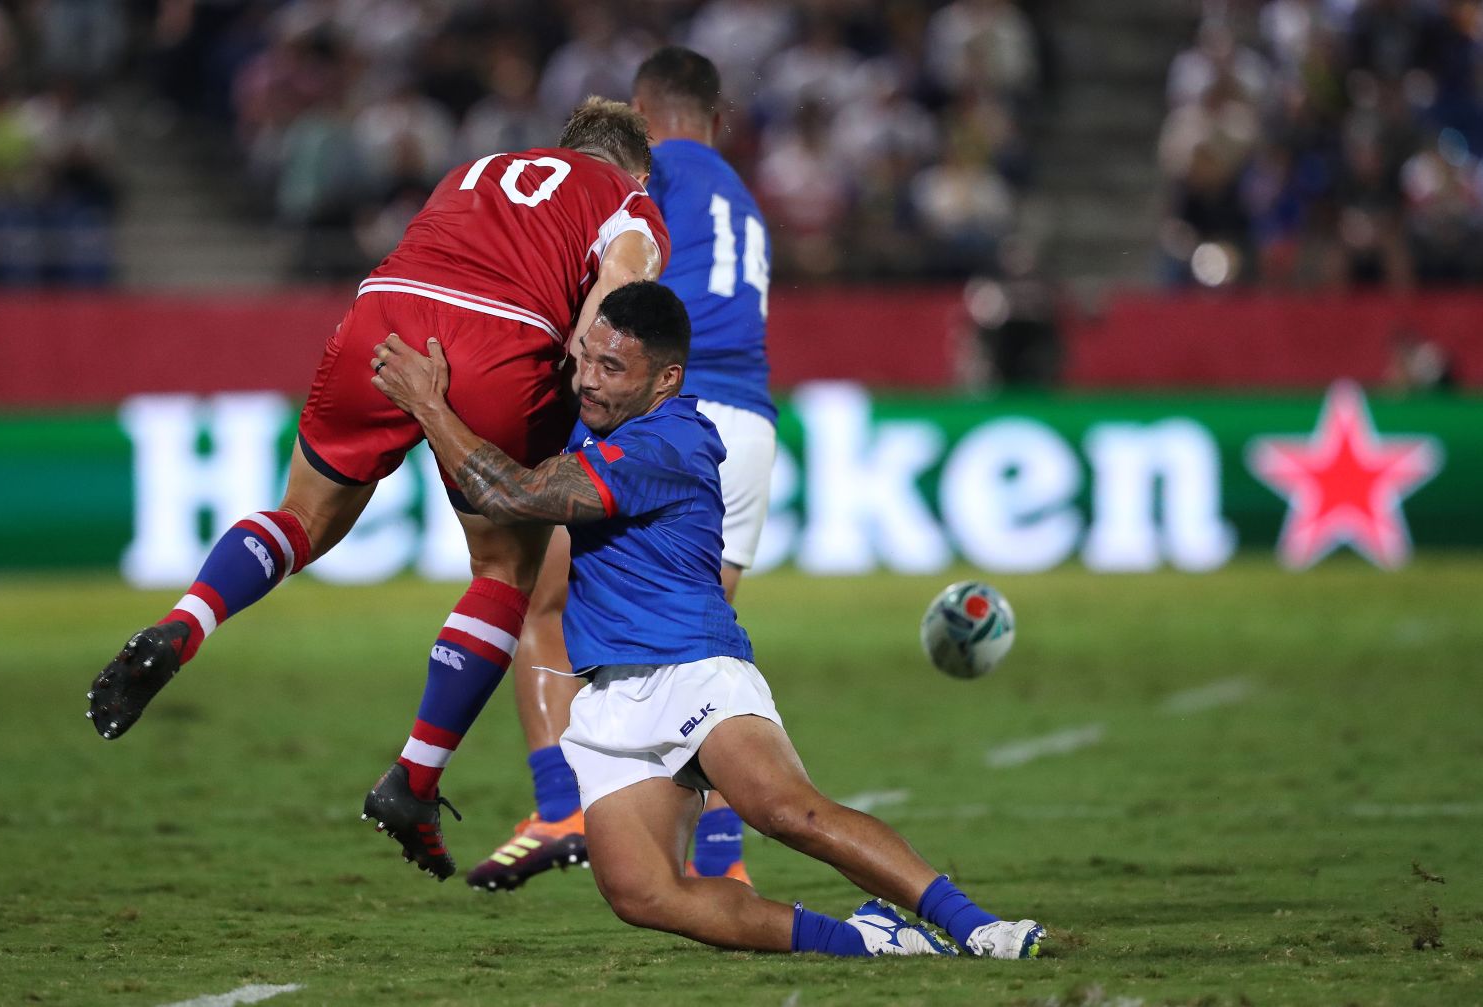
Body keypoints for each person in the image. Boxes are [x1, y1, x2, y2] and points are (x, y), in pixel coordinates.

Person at [86, 98, 672, 882]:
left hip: (382, 315)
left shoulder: (477, 171)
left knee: (302, 515)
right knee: (504, 569)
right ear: (636, 166)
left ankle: (184, 624)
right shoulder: (628, 200)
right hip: (502, 337)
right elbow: (623, 280)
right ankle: (414, 779)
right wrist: (590, 376)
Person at [370, 281, 1047, 958]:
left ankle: (980, 927)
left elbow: (509, 495)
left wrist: (427, 404)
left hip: (693, 667)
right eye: (587, 358)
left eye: (613, 368)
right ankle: (869, 941)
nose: (590, 382)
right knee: (642, 893)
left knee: (784, 809)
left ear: (666, 378)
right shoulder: (605, 418)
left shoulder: (667, 442)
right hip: (610, 691)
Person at [465, 47, 777, 893]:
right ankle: (724, 862)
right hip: (750, 424)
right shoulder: (741, 195)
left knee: (539, 595)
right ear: (716, 118)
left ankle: (558, 806)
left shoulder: (655, 174)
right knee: (703, 657)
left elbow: (618, 270)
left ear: (642, 112)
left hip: (676, 414)